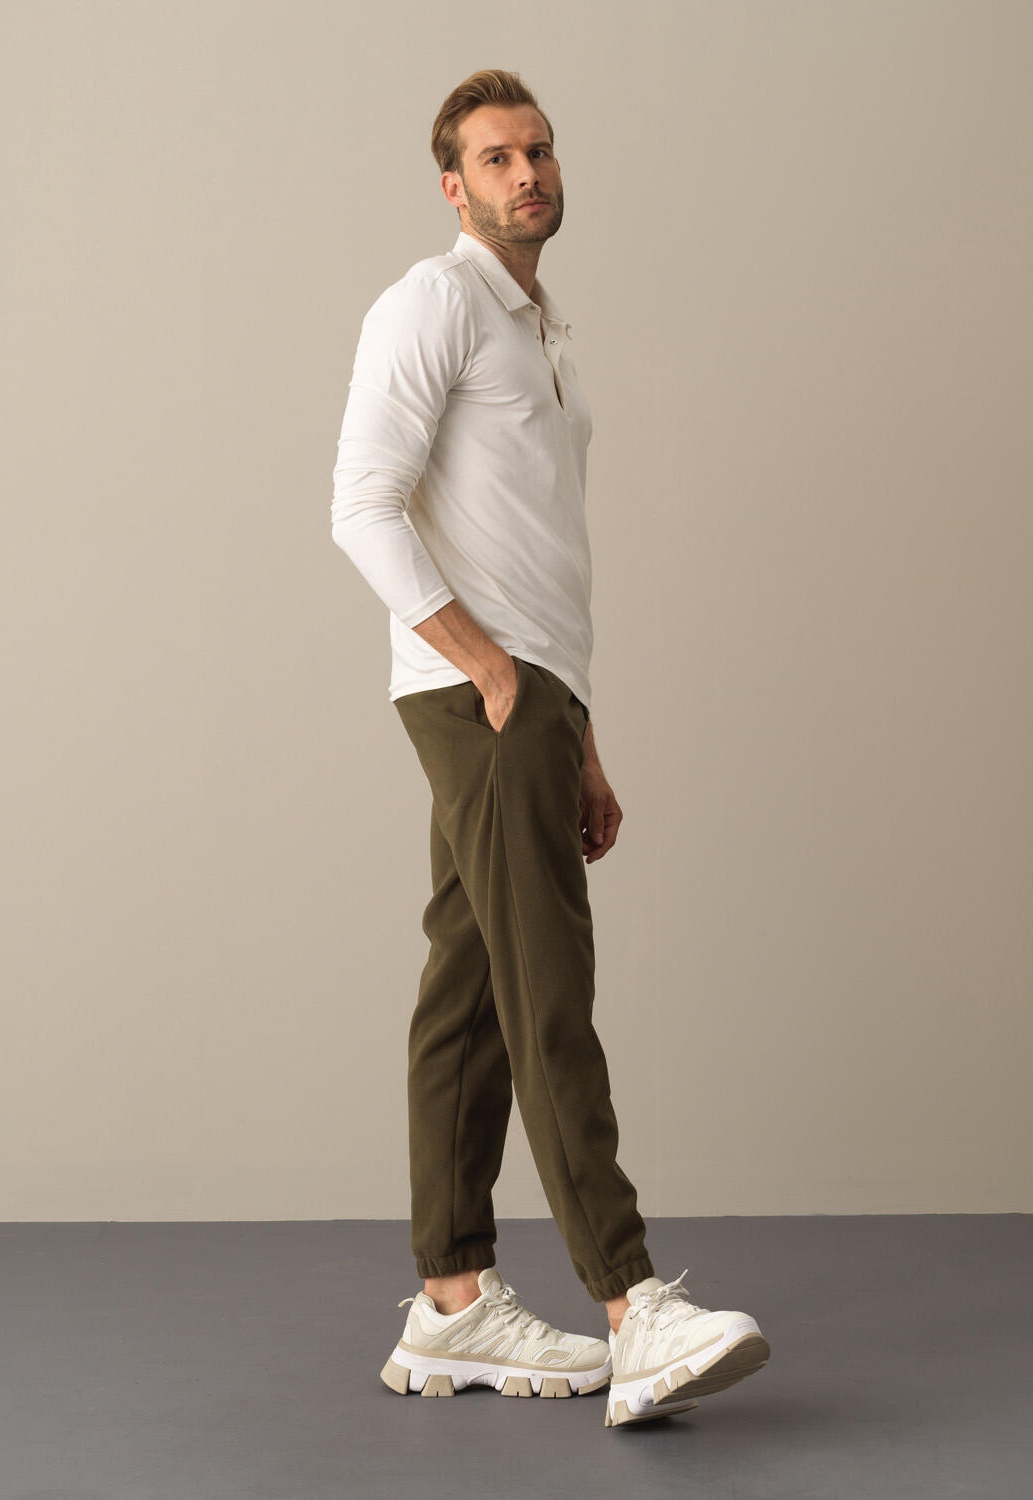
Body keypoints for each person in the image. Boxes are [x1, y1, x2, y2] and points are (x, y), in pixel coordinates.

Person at [331, 68, 770, 1428]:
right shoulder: (434, 303)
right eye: (495, 157)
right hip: (482, 695)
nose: (527, 172)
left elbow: (536, 551)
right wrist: (487, 670)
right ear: (451, 186)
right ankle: (634, 1306)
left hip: (531, 702)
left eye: (539, 149)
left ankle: (452, 1302)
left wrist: (575, 732)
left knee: (470, 990)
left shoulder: (537, 331)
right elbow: (360, 506)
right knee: (546, 987)